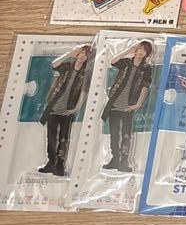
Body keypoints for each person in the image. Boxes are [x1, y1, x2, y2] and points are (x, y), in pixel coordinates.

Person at [38, 43, 93, 176]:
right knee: (51, 137)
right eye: (82, 52)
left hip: (68, 110)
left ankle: (60, 165)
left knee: (63, 138)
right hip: (54, 107)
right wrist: (69, 54)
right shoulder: (68, 66)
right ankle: (51, 163)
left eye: (86, 55)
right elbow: (54, 65)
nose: (83, 56)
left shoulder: (86, 73)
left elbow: (84, 92)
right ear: (78, 53)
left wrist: (76, 108)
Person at [101, 40, 154, 173]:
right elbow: (113, 62)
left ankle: (124, 162)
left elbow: (145, 86)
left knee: (126, 135)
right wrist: (129, 50)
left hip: (128, 106)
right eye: (139, 48)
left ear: (147, 54)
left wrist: (138, 104)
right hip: (114, 103)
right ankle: (114, 160)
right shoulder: (126, 62)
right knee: (114, 134)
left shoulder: (146, 68)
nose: (141, 51)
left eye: (144, 50)